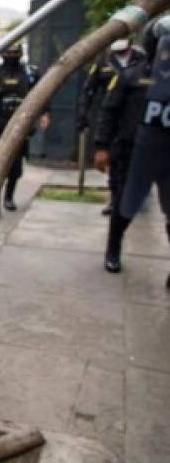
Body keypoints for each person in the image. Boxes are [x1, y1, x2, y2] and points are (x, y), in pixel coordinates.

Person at [94, 17, 170, 275]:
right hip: (133, 152)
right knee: (124, 205)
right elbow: (109, 112)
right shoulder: (131, 77)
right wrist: (102, 147)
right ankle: (113, 249)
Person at [76, 39, 145, 216]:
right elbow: (88, 89)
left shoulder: (142, 59)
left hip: (136, 117)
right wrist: (83, 113)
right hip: (111, 117)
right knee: (115, 161)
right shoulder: (102, 62)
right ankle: (116, 199)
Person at [0, 43, 50, 213]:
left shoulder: (29, 74)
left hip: (20, 126)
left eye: (15, 53)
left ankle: (9, 197)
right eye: (8, 53)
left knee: (15, 168)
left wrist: (45, 113)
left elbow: (42, 94)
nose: (11, 56)